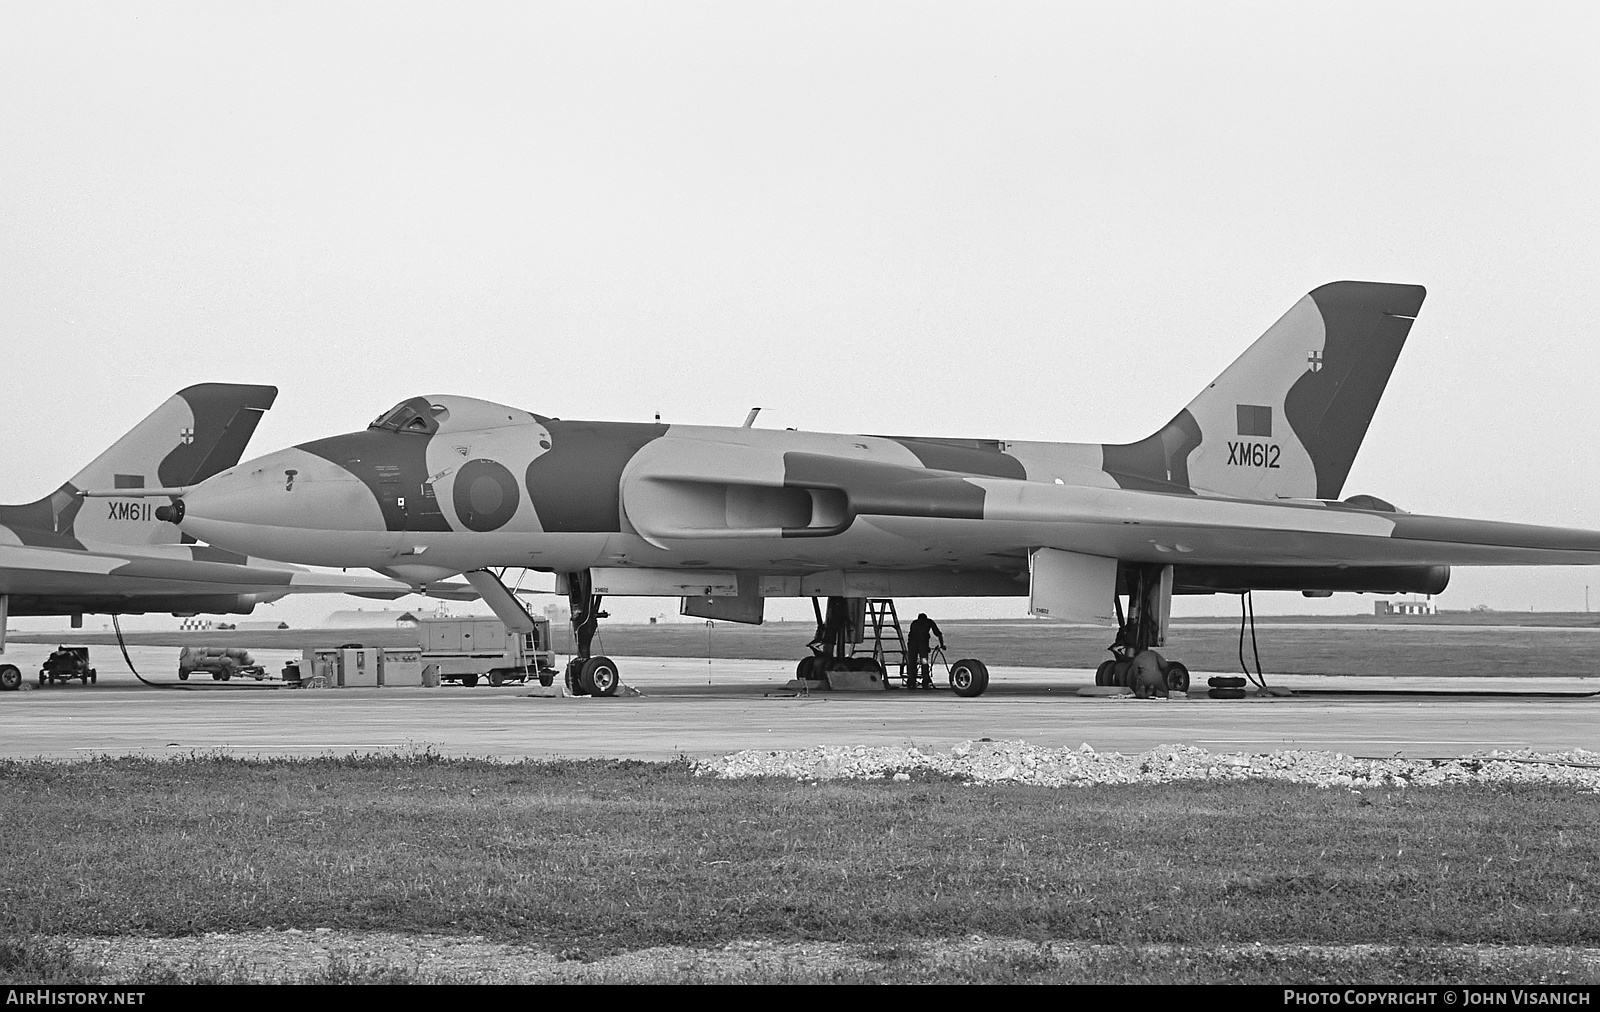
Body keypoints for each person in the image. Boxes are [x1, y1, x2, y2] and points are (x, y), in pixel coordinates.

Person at [905, 612, 945, 689]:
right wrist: (942, 645)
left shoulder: (915, 623)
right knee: (924, 662)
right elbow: (938, 634)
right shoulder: (928, 622)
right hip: (920, 646)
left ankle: (912, 680)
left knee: (913, 662)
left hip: (913, 646)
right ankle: (925, 680)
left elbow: (914, 636)